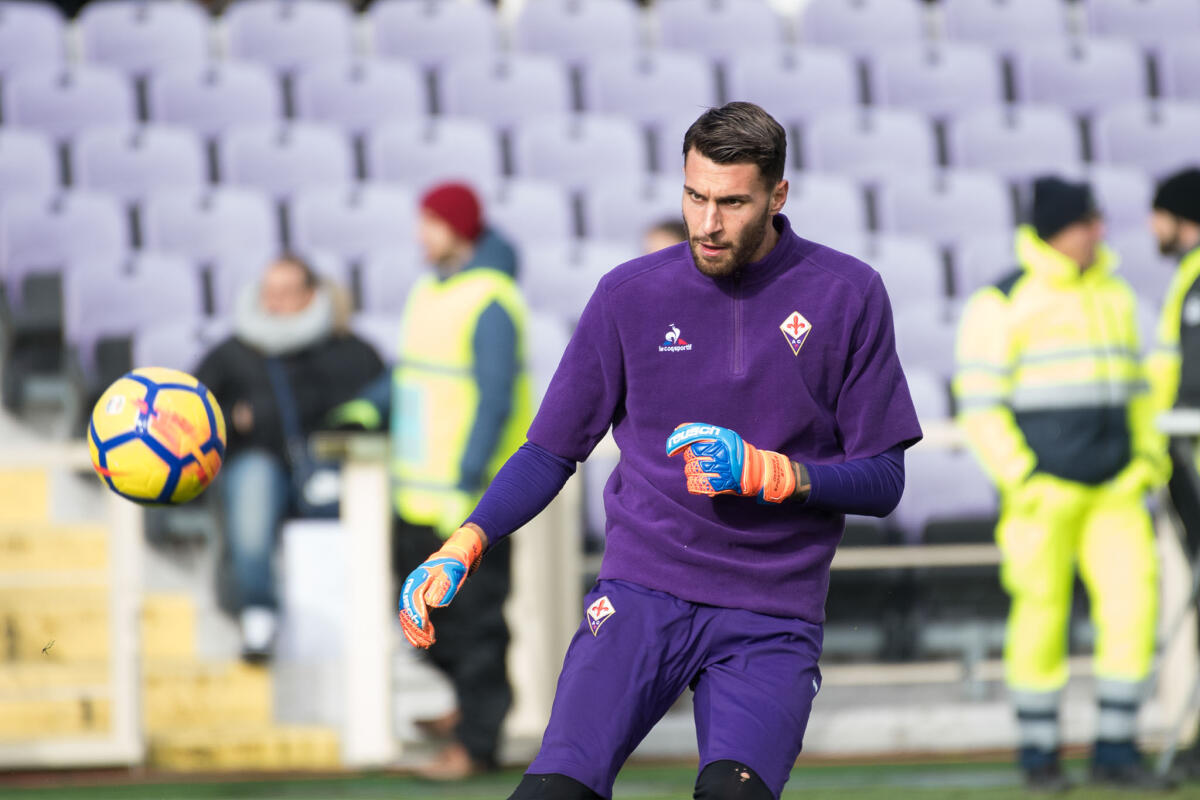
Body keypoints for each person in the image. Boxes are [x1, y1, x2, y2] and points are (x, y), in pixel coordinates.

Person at [396, 102, 922, 800]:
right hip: (641, 592)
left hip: (771, 612)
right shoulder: (628, 296)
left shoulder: (848, 294)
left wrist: (773, 474)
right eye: (695, 196)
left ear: (778, 196)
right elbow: (551, 451)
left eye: (732, 203)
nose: (708, 223)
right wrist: (466, 540)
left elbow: (884, 479)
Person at [954, 177, 1170, 792]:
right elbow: (979, 405)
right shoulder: (1002, 301)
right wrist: (1024, 478)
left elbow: (1141, 395)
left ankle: (1117, 751)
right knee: (1041, 616)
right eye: (1089, 222)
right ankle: (1039, 755)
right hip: (1042, 496)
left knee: (1133, 612)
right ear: (1059, 230)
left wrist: (1146, 465)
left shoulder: (1117, 294)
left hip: (1117, 492)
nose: (1100, 232)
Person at [332, 182, 530, 780]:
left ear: (460, 229)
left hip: (467, 504)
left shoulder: (491, 299)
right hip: (417, 497)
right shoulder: (428, 291)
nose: (422, 234)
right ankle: (472, 710)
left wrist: (469, 484)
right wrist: (366, 408)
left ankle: (475, 744)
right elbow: (409, 373)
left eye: (432, 223)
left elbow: (495, 402)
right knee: (423, 615)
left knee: (475, 627)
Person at [195, 254, 383, 661]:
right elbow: (194, 415)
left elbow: (379, 407)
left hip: (333, 467)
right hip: (258, 460)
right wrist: (234, 419)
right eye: (269, 292)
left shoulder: (350, 351)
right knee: (252, 492)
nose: (274, 301)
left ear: (311, 295)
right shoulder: (232, 353)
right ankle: (257, 612)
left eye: (286, 292)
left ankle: (385, 620)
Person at [1144, 166, 1200, 777]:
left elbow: (1191, 382)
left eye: (1157, 211)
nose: (1150, 225)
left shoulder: (1197, 279)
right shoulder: (1188, 277)